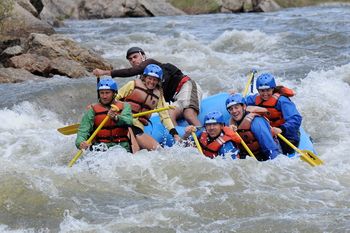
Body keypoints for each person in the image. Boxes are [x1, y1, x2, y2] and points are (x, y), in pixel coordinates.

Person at [93, 46, 203, 126]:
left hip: (186, 87)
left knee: (188, 114)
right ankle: (180, 142)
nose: (133, 60)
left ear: (143, 56)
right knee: (169, 115)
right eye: (130, 59)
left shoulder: (150, 63)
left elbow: (131, 71)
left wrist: (104, 72)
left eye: (135, 57)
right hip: (176, 99)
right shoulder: (143, 81)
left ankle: (203, 136)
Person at [115, 63, 180, 151]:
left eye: (155, 79)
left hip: (138, 127)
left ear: (158, 81)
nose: (152, 82)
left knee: (159, 150)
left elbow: (164, 116)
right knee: (136, 150)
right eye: (149, 78)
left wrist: (174, 133)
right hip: (124, 122)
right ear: (144, 77)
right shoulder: (132, 84)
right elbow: (115, 97)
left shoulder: (158, 94)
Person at [245, 73, 302, 155]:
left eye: (268, 90)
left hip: (286, 135)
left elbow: (296, 119)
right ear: (258, 90)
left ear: (273, 89)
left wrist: (281, 129)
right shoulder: (255, 98)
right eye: (262, 91)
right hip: (268, 134)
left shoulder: (282, 101)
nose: (265, 94)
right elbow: (242, 102)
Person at [75, 78, 133, 152]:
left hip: (121, 148)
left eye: (107, 93)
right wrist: (80, 142)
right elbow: (83, 131)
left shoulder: (125, 106)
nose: (104, 96)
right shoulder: (92, 110)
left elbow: (129, 121)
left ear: (114, 93)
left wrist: (116, 118)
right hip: (100, 148)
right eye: (102, 93)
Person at [226, 93, 281, 161]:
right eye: (231, 109)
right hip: (249, 157)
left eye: (236, 107)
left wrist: (275, 161)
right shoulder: (231, 124)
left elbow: (270, 147)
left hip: (266, 154)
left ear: (244, 107)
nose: (234, 111)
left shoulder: (256, 122)